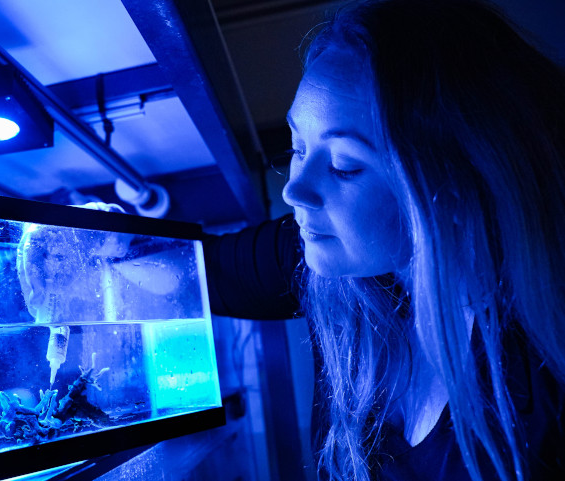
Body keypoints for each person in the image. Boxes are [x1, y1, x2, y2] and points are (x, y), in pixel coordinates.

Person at [205, 0, 565, 480]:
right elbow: (193, 272)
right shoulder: (331, 253)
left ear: (453, 184)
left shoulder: (544, 370)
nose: (295, 189)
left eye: (345, 166)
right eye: (298, 147)